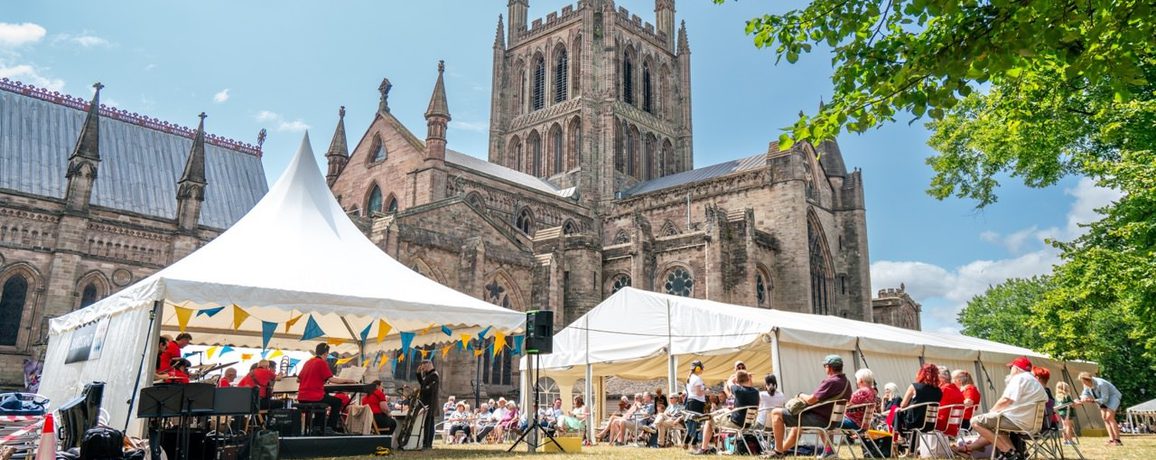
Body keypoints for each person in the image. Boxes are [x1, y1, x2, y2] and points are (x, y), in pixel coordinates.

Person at [957, 356, 1047, 460]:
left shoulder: (1019, 378)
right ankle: (1014, 456)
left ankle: (1008, 452)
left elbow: (1006, 400)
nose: (1010, 370)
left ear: (1016, 368)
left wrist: (991, 412)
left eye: (1011, 368)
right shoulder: (1035, 381)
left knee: (975, 421)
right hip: (1030, 423)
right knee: (998, 428)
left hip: (1018, 421)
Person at [764, 355, 853, 458]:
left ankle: (778, 452)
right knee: (796, 428)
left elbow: (811, 400)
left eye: (825, 366)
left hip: (820, 420)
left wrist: (800, 395)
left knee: (776, 413)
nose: (825, 368)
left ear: (829, 367)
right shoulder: (847, 383)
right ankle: (781, 451)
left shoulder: (831, 381)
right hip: (832, 420)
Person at [694, 369, 760, 455]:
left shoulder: (738, 390)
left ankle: (704, 448)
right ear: (748, 379)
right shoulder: (756, 392)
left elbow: (729, 382)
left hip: (736, 423)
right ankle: (710, 415)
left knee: (708, 421)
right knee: (726, 410)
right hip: (748, 424)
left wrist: (732, 377)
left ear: (737, 381)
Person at [297, 343, 355, 435]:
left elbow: (298, 379)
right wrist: (348, 380)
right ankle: (330, 427)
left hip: (301, 397)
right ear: (325, 353)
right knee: (337, 402)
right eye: (327, 354)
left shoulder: (308, 362)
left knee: (324, 401)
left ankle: (317, 427)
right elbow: (332, 379)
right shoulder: (321, 362)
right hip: (314, 396)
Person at [897, 363, 943, 435]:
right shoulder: (939, 391)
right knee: (896, 411)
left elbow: (903, 405)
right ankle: (897, 434)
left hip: (914, 422)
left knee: (895, 410)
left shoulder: (914, 387)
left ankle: (896, 435)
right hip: (930, 424)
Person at [1079, 371, 1122, 446]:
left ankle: (1117, 440)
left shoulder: (1101, 384)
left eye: (1084, 382)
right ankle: (1111, 440)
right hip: (1100, 399)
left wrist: (1092, 401)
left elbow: (1105, 399)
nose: (1084, 384)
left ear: (1089, 380)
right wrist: (1083, 398)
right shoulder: (1086, 384)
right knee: (1104, 418)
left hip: (1113, 398)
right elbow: (1084, 393)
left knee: (1109, 417)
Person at [416, 359, 440, 449]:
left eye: (423, 366)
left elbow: (430, 389)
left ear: (428, 364)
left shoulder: (434, 375)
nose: (422, 368)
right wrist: (418, 374)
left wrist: (420, 391)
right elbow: (423, 384)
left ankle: (428, 443)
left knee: (429, 423)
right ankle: (425, 441)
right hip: (425, 402)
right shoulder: (428, 375)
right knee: (426, 423)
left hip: (430, 403)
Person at [684, 360, 707, 448]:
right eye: (701, 368)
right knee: (696, 424)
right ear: (697, 368)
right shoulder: (697, 379)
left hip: (692, 402)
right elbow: (698, 393)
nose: (702, 369)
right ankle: (692, 444)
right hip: (696, 403)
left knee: (693, 424)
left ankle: (688, 443)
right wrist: (706, 391)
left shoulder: (690, 377)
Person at [936, 365, 964, 435]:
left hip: (943, 426)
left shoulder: (943, 390)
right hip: (954, 427)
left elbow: (939, 412)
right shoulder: (958, 390)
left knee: (919, 420)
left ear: (941, 378)